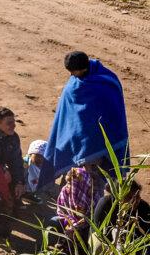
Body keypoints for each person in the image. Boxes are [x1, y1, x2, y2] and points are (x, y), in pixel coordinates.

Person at [43, 51, 128, 180]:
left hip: (99, 139)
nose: (71, 74)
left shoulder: (103, 83)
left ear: (82, 69)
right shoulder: (107, 78)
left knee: (96, 179)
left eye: (72, 71)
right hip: (86, 139)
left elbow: (113, 109)